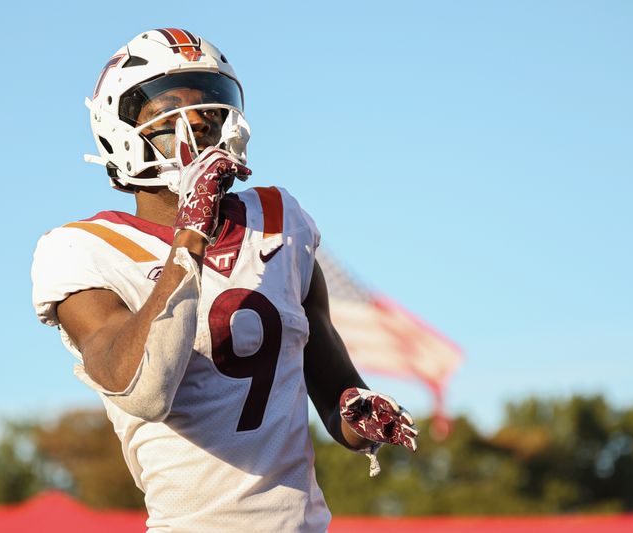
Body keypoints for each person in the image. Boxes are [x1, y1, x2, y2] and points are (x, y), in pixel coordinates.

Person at [31, 28, 418, 532]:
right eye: (169, 109)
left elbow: (331, 387)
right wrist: (190, 236)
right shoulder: (81, 248)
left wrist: (358, 412)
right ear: (121, 128)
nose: (196, 124)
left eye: (210, 109)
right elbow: (142, 390)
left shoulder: (280, 219)